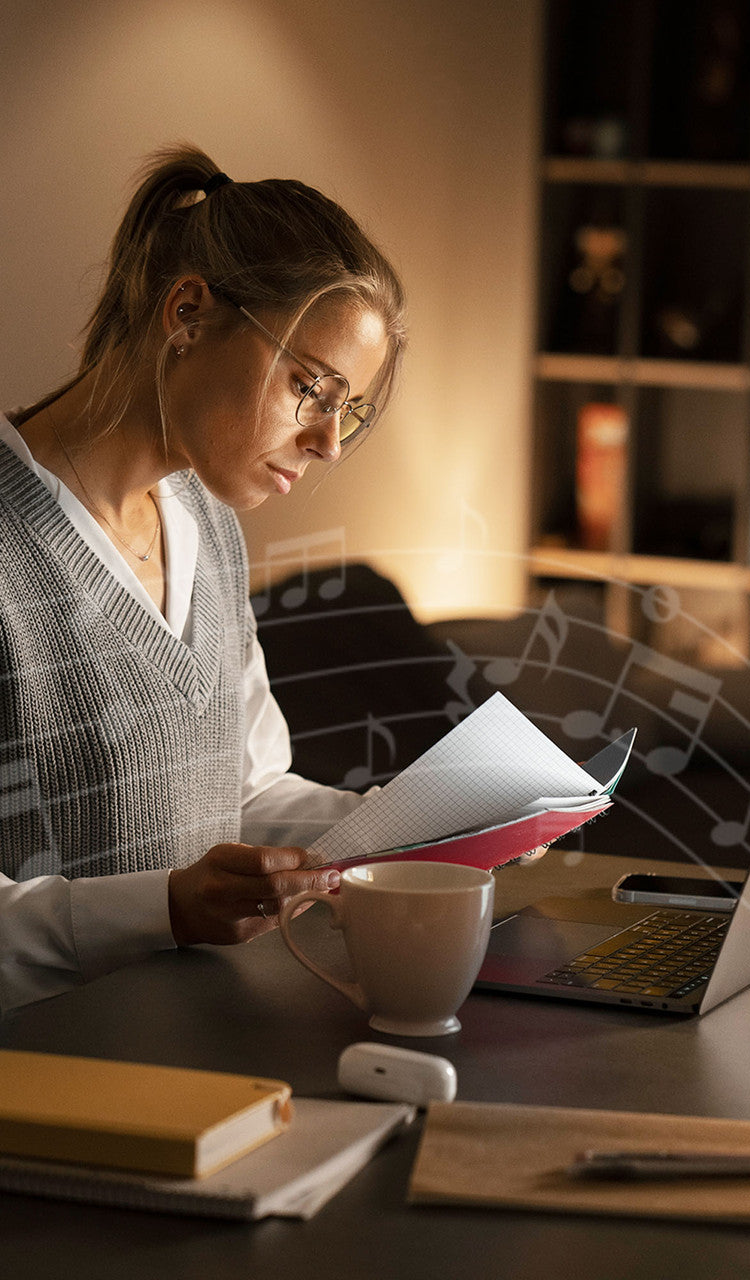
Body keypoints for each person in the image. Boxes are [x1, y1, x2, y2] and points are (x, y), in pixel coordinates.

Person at [0, 144, 407, 1013]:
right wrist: (165, 910)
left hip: (197, 1051)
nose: (331, 443)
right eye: (312, 387)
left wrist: (419, 828)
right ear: (188, 311)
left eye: (349, 409)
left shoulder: (207, 526)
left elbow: (249, 788)